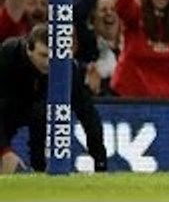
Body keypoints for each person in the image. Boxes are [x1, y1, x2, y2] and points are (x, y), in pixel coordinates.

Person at [0, 24, 107, 173]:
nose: (47, 63)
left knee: (41, 113)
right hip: (7, 105)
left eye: (52, 57)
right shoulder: (8, 54)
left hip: (37, 110)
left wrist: (100, 163)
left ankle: (39, 169)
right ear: (29, 49)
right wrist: (4, 151)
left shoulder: (64, 66)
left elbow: (88, 114)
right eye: (43, 55)